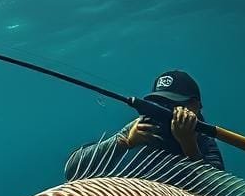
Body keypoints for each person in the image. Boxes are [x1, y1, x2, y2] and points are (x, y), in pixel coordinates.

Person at [65, 69, 224, 180]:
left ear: (194, 107)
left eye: (172, 104)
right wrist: (123, 142)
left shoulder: (202, 139)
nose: (163, 111)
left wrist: (188, 144)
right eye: (159, 104)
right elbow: (73, 170)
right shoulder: (142, 127)